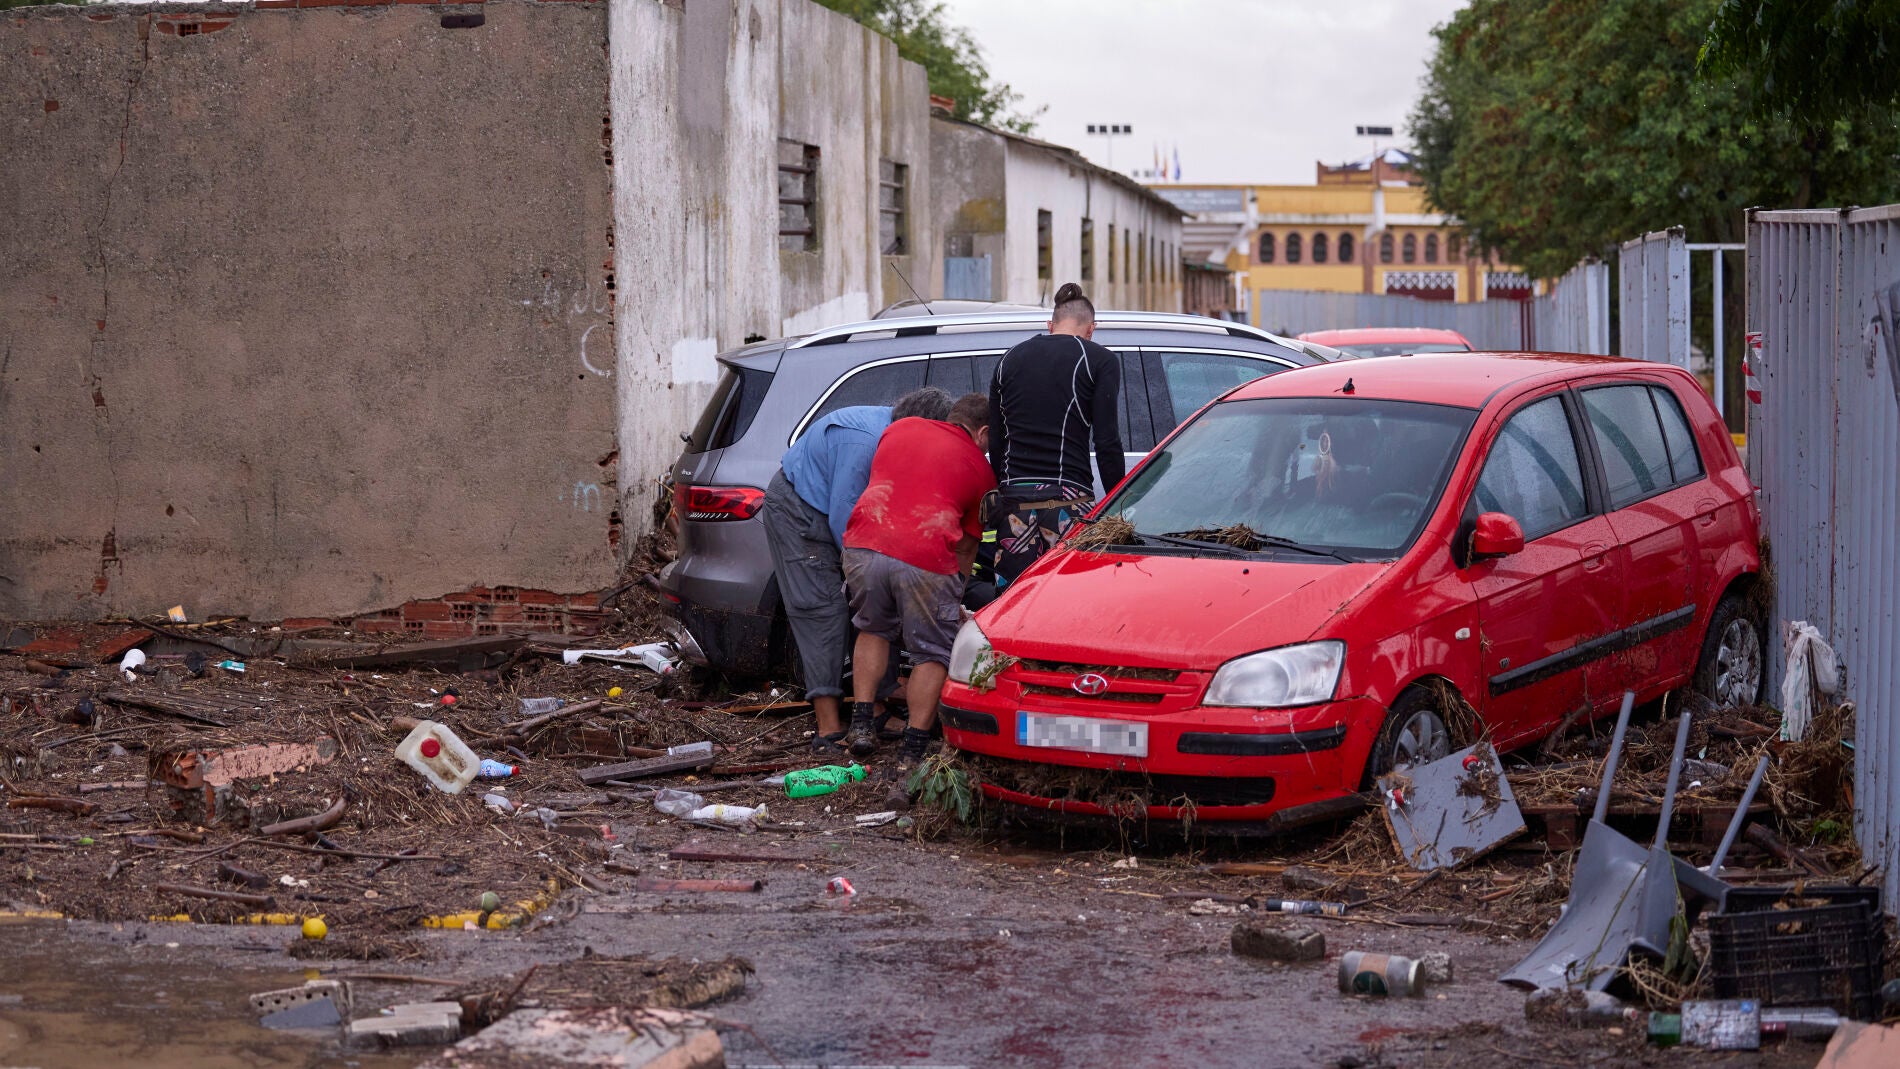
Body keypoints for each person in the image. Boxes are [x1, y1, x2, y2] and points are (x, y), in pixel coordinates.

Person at [761, 387, 954, 754]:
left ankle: (876, 710)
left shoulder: (901, 442)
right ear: (918, 427)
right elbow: (844, 516)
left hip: (844, 518)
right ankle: (828, 727)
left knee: (877, 606)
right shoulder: (865, 442)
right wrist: (865, 575)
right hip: (800, 511)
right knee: (823, 611)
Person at [841, 393, 996, 764]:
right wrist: (951, 597)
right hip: (924, 554)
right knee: (932, 650)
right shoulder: (982, 470)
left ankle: (862, 722)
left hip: (863, 544)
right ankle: (913, 748)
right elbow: (968, 547)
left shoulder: (900, 428)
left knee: (872, 628)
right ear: (983, 433)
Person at [987, 281, 1124, 587]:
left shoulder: (1009, 359)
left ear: (1051, 325)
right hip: (1067, 501)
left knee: (1012, 601)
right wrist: (1118, 502)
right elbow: (1107, 442)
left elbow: (997, 441)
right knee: (1068, 599)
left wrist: (1004, 491)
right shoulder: (1099, 360)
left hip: (1014, 505)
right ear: (1091, 329)